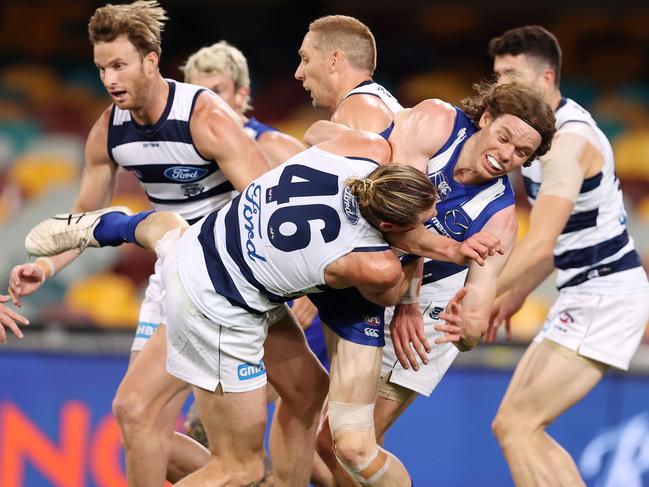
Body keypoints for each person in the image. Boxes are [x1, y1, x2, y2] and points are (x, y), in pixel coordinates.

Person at [24, 130, 501, 486]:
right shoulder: (373, 267)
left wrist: (444, 244)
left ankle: (109, 227)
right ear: (383, 223)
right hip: (218, 305)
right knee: (240, 467)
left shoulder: (357, 151)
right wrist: (452, 250)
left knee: (307, 391)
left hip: (208, 241)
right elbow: (395, 290)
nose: (432, 224)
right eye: (420, 222)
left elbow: (321, 138)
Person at [7, 2, 328, 486]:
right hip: (179, 280)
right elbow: (85, 219)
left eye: (119, 65)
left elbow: (269, 210)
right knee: (141, 419)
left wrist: (298, 287)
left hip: (231, 280)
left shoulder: (206, 118)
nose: (109, 79)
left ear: (151, 61)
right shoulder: (110, 131)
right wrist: (47, 269)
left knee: (302, 394)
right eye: (101, 68)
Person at [311, 81, 556, 485]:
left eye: (522, 153)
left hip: (431, 303)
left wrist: (466, 329)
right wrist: (406, 299)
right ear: (487, 118)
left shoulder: (500, 219)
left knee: (351, 445)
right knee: (328, 443)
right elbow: (402, 213)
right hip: (379, 272)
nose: (507, 155)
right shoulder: (436, 120)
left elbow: (475, 314)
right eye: (505, 138)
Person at [483, 26, 649, 486]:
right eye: (496, 75)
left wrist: (476, 295)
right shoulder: (540, 138)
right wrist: (515, 294)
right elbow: (564, 241)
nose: (500, 86)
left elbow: (539, 241)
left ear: (547, 78)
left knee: (520, 427)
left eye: (511, 74)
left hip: (606, 295)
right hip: (586, 293)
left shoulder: (569, 144)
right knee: (511, 427)